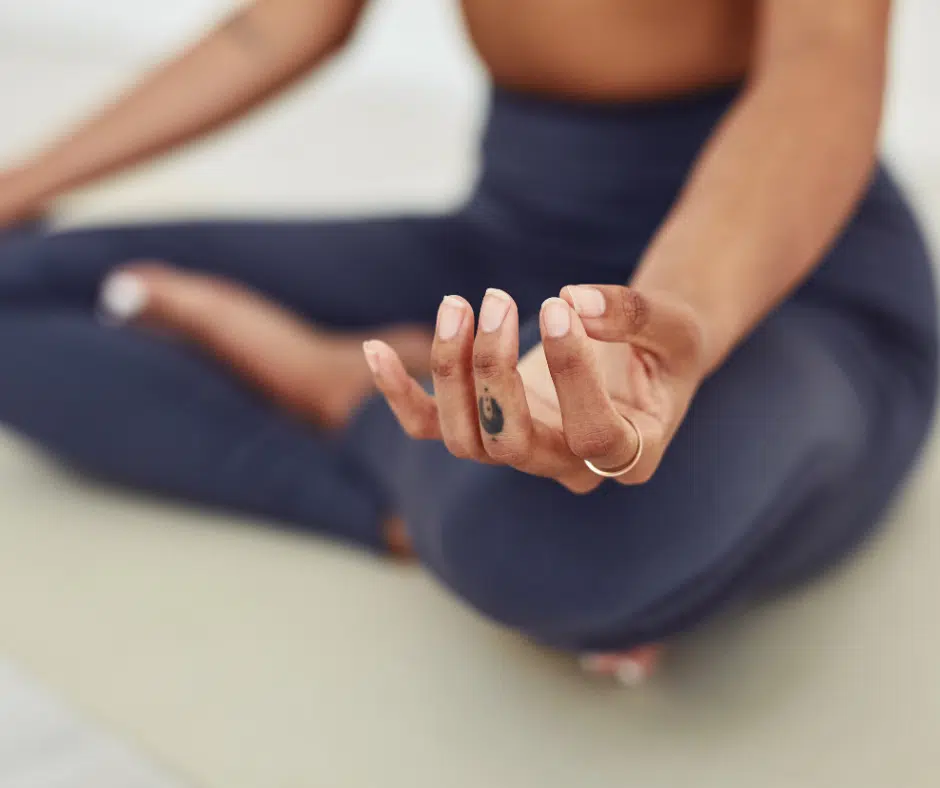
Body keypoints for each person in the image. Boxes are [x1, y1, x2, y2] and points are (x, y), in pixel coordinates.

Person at [0, 0, 935, 685]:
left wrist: (662, 322)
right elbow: (281, 23)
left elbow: (825, 62)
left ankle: (353, 399)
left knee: (562, 551)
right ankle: (412, 476)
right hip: (515, 243)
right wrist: (15, 187)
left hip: (777, 282)